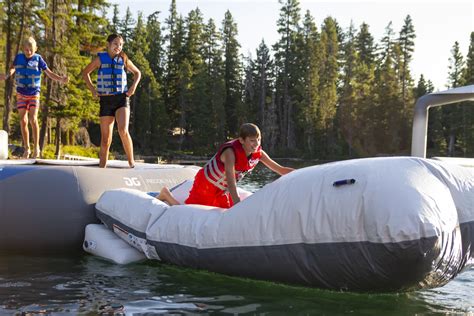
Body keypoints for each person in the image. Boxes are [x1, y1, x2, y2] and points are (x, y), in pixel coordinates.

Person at [158, 123, 295, 208]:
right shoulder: (230, 152)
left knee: (224, 211)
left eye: (258, 140)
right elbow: (230, 179)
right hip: (206, 185)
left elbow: (280, 169)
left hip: (222, 190)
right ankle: (167, 195)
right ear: (241, 140)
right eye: (252, 140)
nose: (256, 144)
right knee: (187, 211)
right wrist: (237, 205)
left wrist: (307, 173)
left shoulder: (259, 153)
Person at [0, 37, 68, 158]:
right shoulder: (19, 58)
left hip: (33, 93)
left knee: (33, 118)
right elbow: (12, 68)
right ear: (23, 49)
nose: (28, 52)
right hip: (21, 92)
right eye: (26, 49)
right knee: (23, 120)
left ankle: (36, 146)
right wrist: (6, 76)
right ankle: (27, 148)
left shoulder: (38, 59)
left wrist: (61, 79)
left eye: (31, 49)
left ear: (35, 49)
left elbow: (49, 73)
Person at [82, 34, 141, 168]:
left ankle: (132, 164)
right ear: (108, 44)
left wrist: (133, 87)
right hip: (106, 100)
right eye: (115, 44)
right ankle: (102, 168)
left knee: (122, 130)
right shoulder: (100, 59)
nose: (118, 47)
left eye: (120, 45)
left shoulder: (124, 59)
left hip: (121, 99)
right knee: (105, 139)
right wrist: (92, 89)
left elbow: (138, 73)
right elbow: (85, 73)